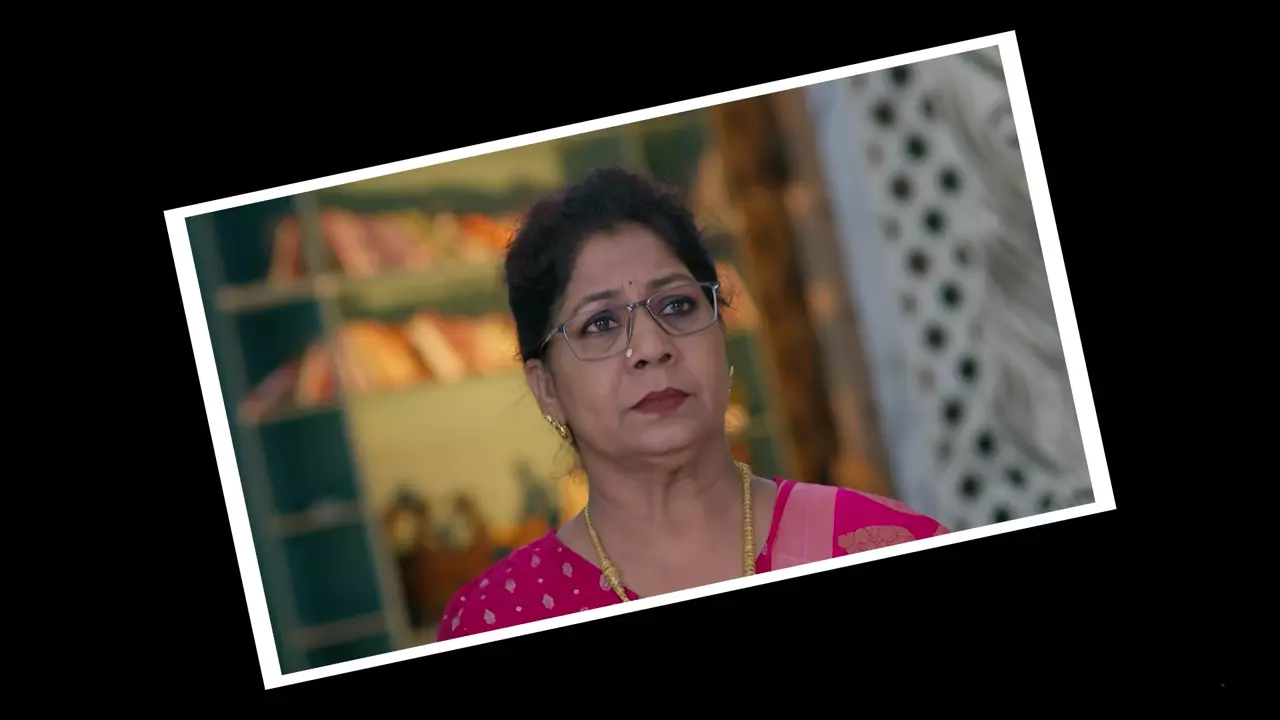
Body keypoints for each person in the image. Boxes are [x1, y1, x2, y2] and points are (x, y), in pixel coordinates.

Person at [437, 167, 947, 641]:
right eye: (601, 323)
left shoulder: (874, 540)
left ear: (721, 331)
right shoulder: (498, 617)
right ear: (546, 386)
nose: (652, 346)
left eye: (678, 305)